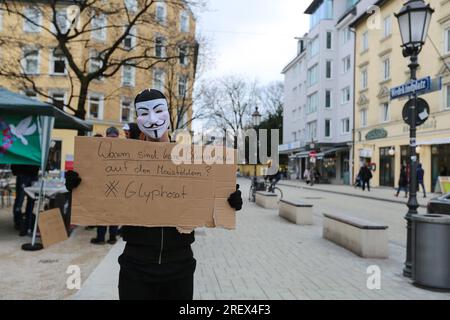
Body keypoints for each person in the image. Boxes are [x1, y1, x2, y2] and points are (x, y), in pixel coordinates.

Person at [65, 89, 243, 300]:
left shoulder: (191, 159)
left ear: (168, 113)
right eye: (144, 113)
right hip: (136, 267)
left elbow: (208, 192)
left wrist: (229, 199)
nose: (153, 119)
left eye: (159, 110)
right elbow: (100, 194)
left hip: (180, 266)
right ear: (137, 118)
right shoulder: (123, 159)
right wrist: (80, 184)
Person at [90, 126, 120, 245]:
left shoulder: (101, 148)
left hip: (110, 186)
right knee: (109, 213)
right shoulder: (122, 148)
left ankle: (103, 237)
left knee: (106, 212)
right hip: (110, 186)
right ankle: (109, 237)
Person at [11, 164, 39, 236]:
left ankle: (27, 223)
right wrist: (16, 171)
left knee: (31, 200)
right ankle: (18, 222)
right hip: (23, 174)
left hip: (33, 174)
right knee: (19, 200)